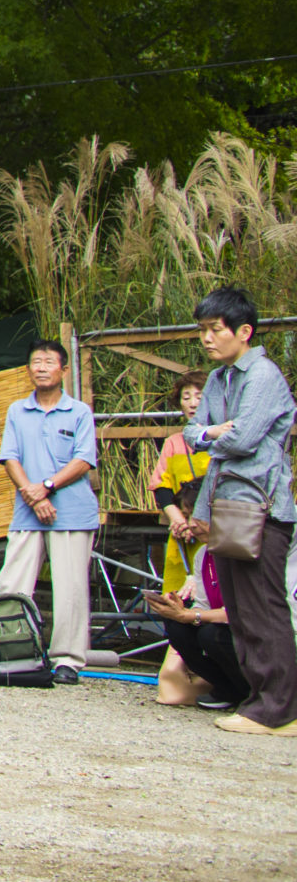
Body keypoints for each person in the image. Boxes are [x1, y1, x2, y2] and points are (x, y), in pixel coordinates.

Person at [175, 287, 296, 737]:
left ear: (243, 331)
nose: (206, 338)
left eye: (215, 329)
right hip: (227, 507)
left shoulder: (262, 375)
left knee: (263, 608)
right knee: (242, 611)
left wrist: (211, 434)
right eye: (202, 330)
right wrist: (210, 433)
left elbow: (242, 441)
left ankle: (279, 709)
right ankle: (261, 702)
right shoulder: (220, 378)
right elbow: (191, 434)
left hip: (262, 510)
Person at [0, 338, 99, 683]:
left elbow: (84, 460)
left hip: (72, 511)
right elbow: (10, 457)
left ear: (64, 370)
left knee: (70, 589)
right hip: (27, 509)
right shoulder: (16, 411)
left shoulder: (80, 411)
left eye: (49, 362)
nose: (41, 368)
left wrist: (48, 487)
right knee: (12, 583)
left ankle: (67, 660)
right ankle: (9, 651)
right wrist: (34, 496)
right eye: (36, 362)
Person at [148, 548, 244, 713]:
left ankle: (250, 692)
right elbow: (203, 603)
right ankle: (227, 689)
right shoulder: (202, 554)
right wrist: (182, 612)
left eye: (201, 520)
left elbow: (239, 613)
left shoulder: (241, 552)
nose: (192, 525)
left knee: (212, 635)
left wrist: (191, 616)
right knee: (177, 627)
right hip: (219, 619)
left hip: (247, 626)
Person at [154, 373, 210, 594]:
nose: (192, 403)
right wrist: (177, 518)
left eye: (199, 396)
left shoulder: (224, 440)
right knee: (178, 598)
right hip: (183, 529)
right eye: (186, 397)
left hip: (215, 530)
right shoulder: (173, 443)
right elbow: (162, 485)